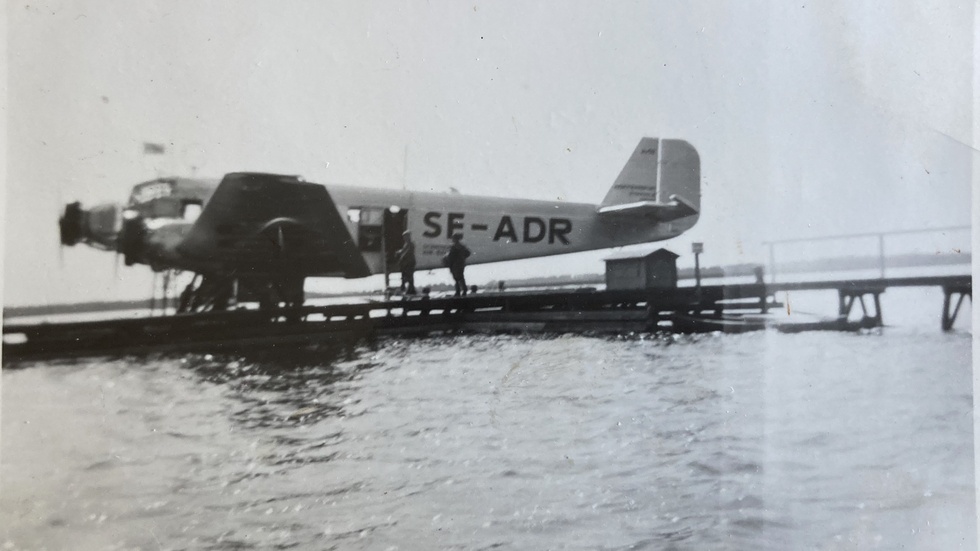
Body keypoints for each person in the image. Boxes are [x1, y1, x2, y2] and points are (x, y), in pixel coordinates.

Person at [395, 230, 417, 295]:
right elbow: (403, 250)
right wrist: (399, 252)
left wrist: (401, 255)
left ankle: (410, 289)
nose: (404, 238)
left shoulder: (411, 244)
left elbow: (407, 252)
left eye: (405, 236)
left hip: (409, 262)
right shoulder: (406, 244)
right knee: (406, 275)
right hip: (406, 263)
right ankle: (406, 288)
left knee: (409, 276)